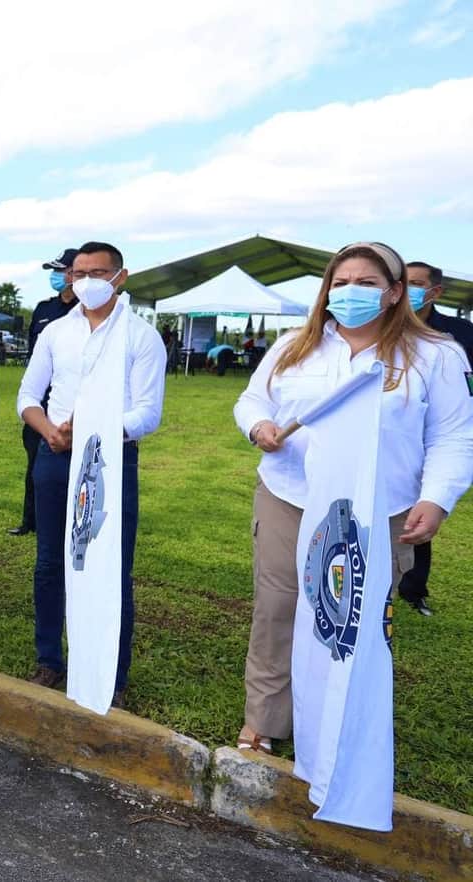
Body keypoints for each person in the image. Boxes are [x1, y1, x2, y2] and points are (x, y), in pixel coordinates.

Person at [233, 241, 473, 754]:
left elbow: (453, 435)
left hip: (378, 509)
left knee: (358, 618)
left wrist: (437, 497)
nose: (350, 293)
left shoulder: (435, 354)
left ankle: (342, 722)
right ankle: (266, 721)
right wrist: (259, 426)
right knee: (278, 608)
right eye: (340, 283)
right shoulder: (294, 346)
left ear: (393, 293)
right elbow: (253, 398)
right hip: (289, 496)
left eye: (365, 284)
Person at [17, 241, 166, 699]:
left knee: (109, 568)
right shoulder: (56, 332)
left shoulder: (141, 336)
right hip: (55, 454)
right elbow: (27, 396)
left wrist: (94, 430)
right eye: (78, 273)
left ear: (120, 277)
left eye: (97, 273)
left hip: (110, 461)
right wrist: (49, 431)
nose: (86, 282)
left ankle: (111, 675)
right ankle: (50, 659)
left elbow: (146, 414)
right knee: (49, 563)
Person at [397, 261, 473, 616]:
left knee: (426, 506)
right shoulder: (384, 326)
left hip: (444, 430)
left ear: (435, 291)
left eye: (416, 283)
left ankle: (413, 588)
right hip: (402, 433)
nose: (407, 289)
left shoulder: (458, 335)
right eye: (402, 282)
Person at [8, 247, 81, 537]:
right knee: (36, 463)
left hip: (69, 404)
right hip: (40, 404)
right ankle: (31, 520)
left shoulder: (83, 311)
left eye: (60, 270)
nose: (56, 276)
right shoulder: (43, 309)